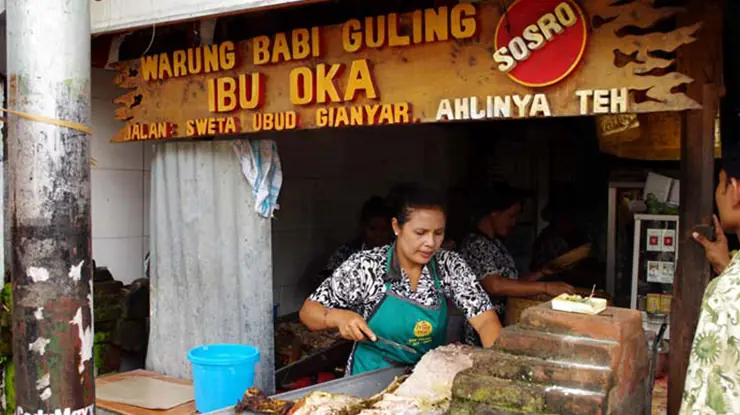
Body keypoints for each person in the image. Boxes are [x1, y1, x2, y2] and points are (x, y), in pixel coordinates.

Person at [299, 183, 502, 376]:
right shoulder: (367, 266)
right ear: (397, 227)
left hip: (425, 376)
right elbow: (309, 312)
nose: (430, 243)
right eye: (420, 233)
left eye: (438, 233)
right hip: (371, 375)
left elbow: (485, 320)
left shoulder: (449, 265)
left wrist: (498, 368)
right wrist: (338, 317)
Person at [458, 183, 574, 346]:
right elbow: (495, 285)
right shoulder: (476, 244)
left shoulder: (495, 243)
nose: (514, 223)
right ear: (494, 213)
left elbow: (511, 282)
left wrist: (542, 273)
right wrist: (545, 287)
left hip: (503, 324)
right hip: (483, 330)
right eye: (511, 216)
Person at [680, 156, 740, 414]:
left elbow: (712, 396)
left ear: (735, 189)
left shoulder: (726, 292)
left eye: (719, 183)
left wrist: (727, 278)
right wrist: (726, 266)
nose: (717, 193)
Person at [323, 196, 393, 274]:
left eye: (384, 229)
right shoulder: (345, 254)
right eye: (372, 229)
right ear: (363, 227)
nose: (378, 235)